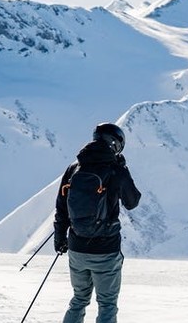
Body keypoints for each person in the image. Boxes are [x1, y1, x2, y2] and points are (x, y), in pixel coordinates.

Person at [54, 123, 141, 323]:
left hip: (77, 248)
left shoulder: (74, 168)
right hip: (105, 250)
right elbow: (132, 202)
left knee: (78, 299)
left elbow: (61, 207)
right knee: (107, 304)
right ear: (116, 145)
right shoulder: (115, 170)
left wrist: (60, 239)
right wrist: (123, 170)